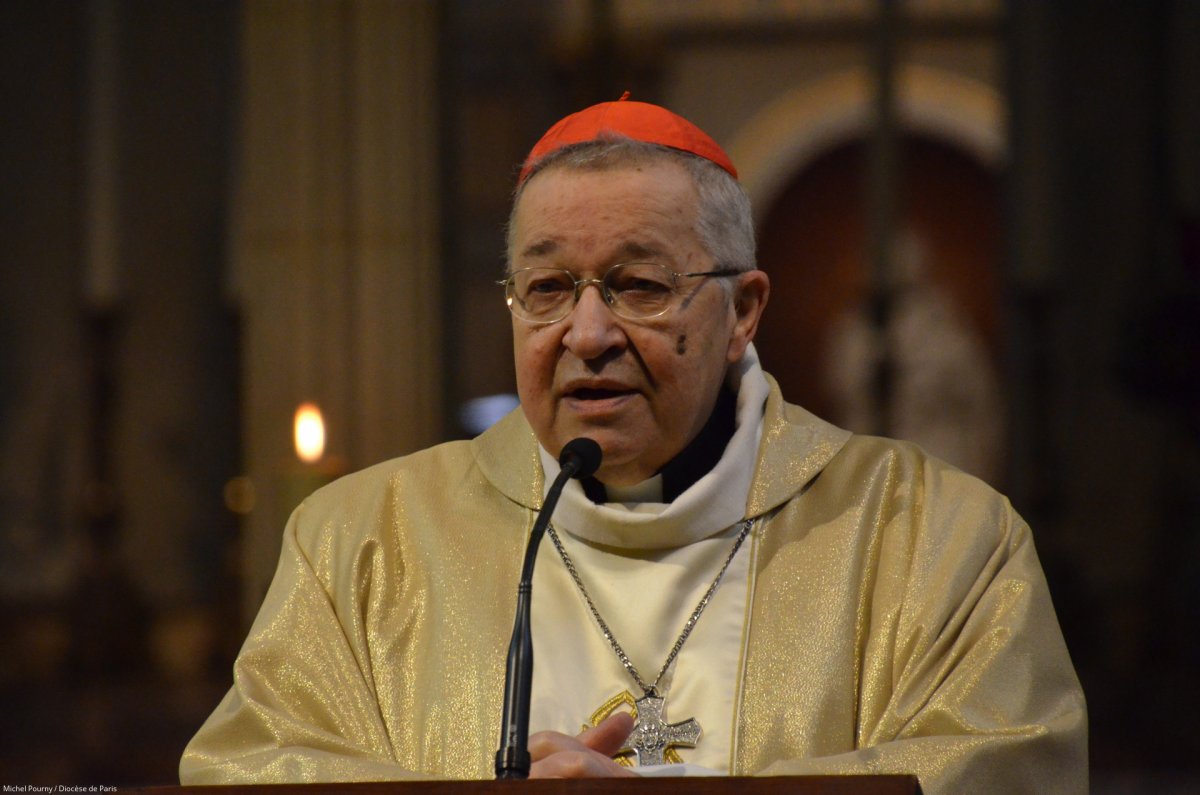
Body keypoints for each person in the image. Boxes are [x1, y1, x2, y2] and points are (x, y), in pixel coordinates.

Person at [180, 96, 1087, 792]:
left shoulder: (933, 539)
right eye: (546, 287)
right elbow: (251, 769)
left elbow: (1005, 767)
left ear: (743, 311)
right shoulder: (361, 544)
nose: (585, 332)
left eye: (637, 284)